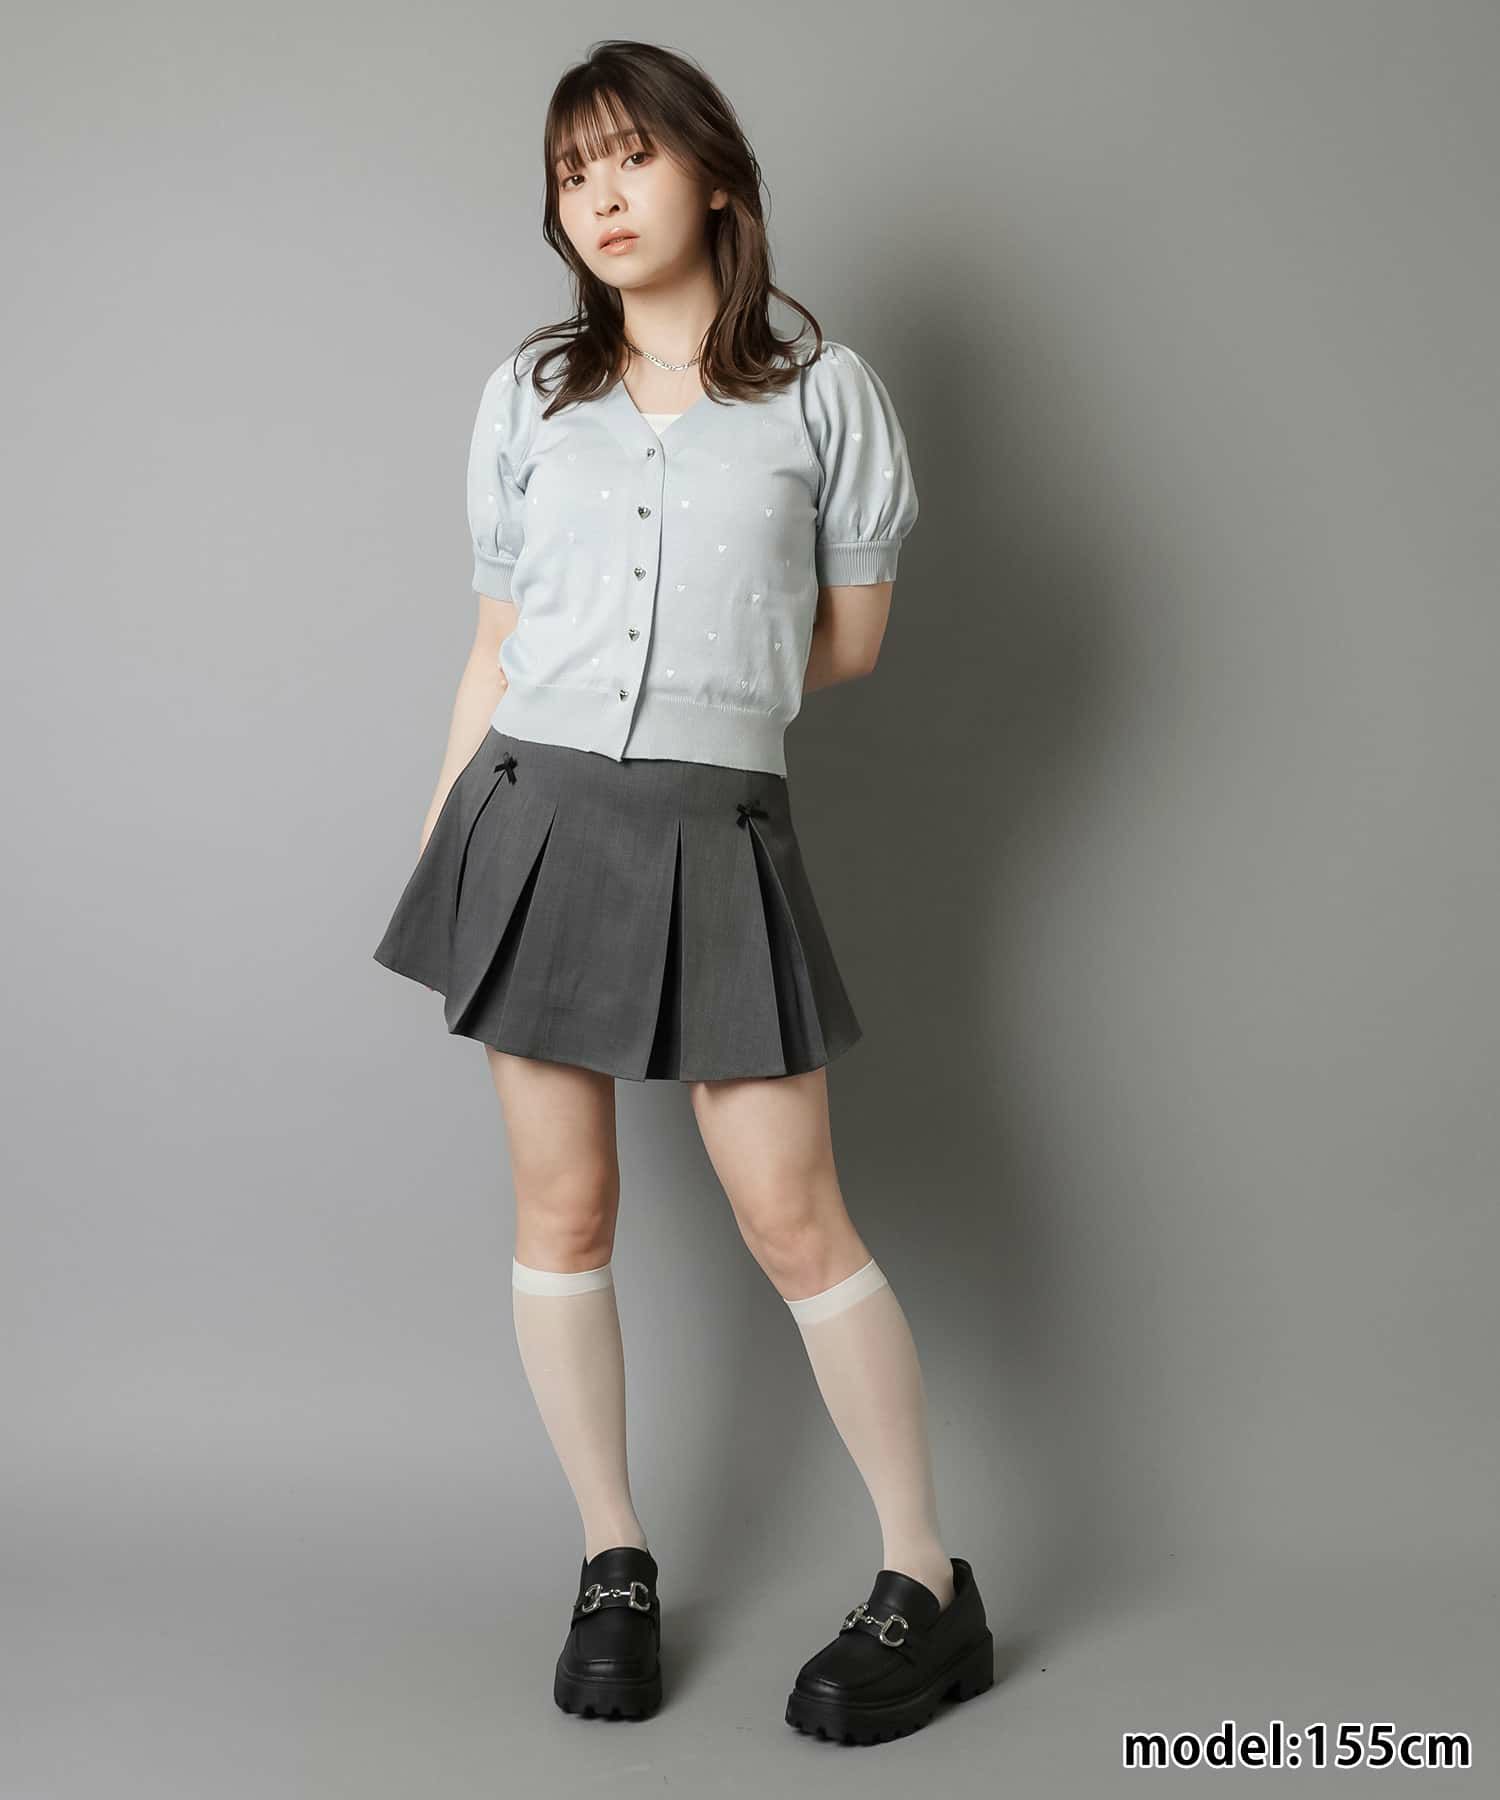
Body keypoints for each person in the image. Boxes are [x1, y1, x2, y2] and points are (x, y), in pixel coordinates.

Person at [372, 39, 993, 1745]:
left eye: (631, 158)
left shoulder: (826, 396)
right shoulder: (531, 395)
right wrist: (446, 849)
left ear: (714, 175)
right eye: (572, 172)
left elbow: (845, 644)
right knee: (564, 1214)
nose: (602, 196)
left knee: (794, 1217)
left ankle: (926, 1574)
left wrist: (699, 690)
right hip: (528, 820)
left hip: (716, 835)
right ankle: (614, 1559)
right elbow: (496, 646)